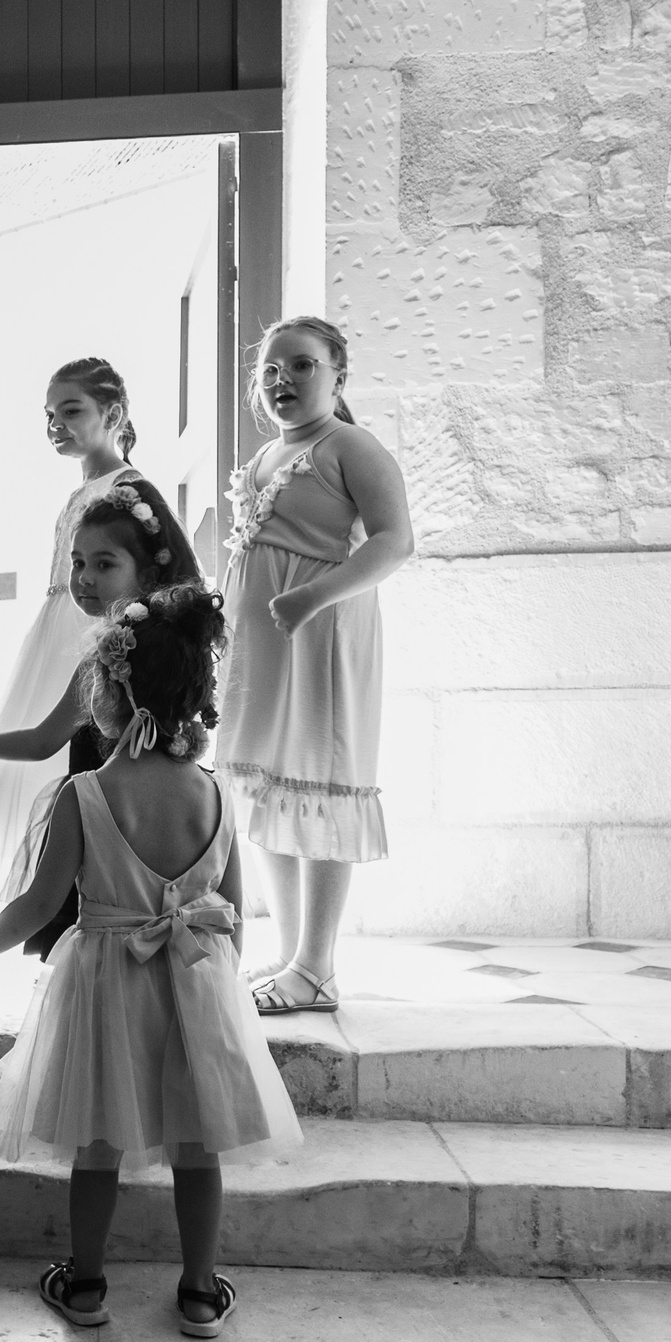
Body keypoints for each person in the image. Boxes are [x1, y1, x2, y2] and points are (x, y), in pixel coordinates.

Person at [0, 585, 299, 1337]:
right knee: (199, 1149)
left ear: (109, 691)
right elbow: (233, 916)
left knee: (97, 1146)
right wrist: (209, 986)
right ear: (198, 698)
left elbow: (38, 908)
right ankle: (200, 1290)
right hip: (194, 986)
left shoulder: (87, 794)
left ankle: (87, 1285)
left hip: (106, 990)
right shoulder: (216, 797)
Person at [218, 316, 414, 1016]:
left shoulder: (350, 445)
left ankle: (318, 965)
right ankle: (292, 949)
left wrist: (313, 596)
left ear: (337, 374)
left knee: (321, 780)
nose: (282, 381)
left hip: (323, 632)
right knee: (267, 785)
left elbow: (395, 541)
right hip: (264, 643)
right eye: (270, 371)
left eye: (300, 366)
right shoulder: (270, 454)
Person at [0, 474, 202, 959]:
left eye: (104, 563)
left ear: (149, 572)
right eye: (77, 562)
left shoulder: (111, 663)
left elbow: (40, 742)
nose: (84, 578)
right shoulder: (159, 655)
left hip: (106, 827)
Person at [0, 357, 144, 900]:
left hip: (90, 631)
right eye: (49, 414)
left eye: (71, 410)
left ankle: (94, 886)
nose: (55, 424)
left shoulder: (128, 489)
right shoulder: (81, 489)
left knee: (81, 756)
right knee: (50, 763)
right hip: (56, 628)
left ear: (114, 414)